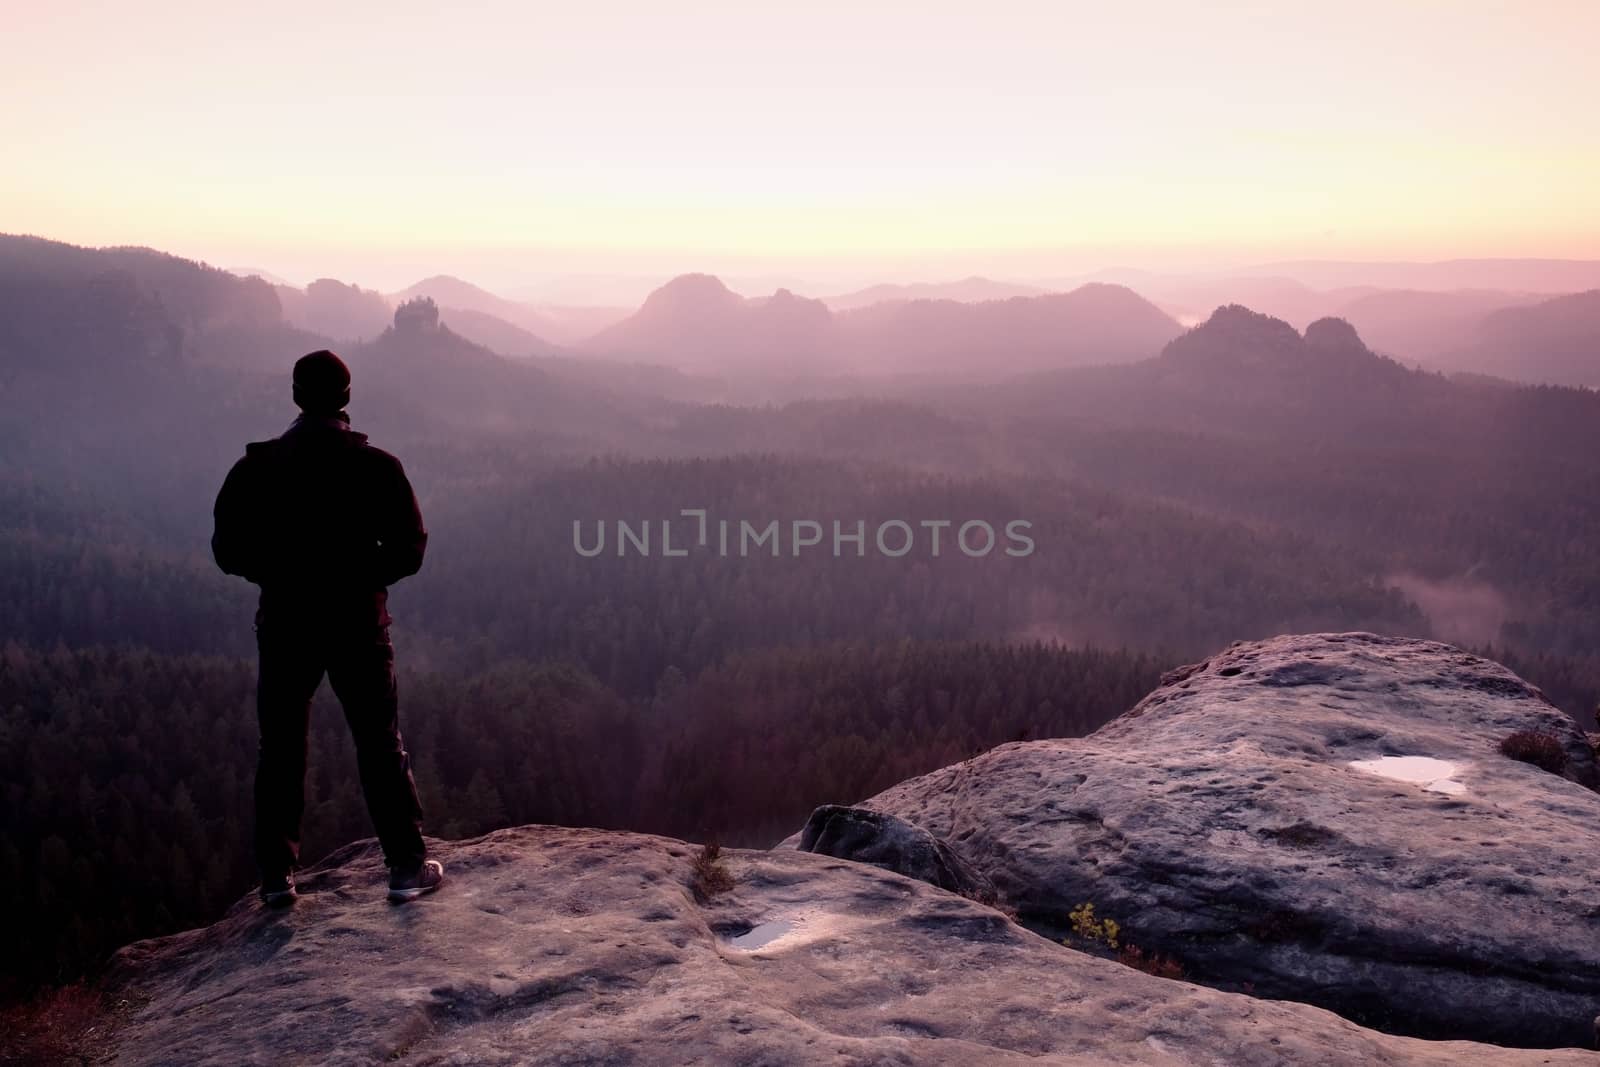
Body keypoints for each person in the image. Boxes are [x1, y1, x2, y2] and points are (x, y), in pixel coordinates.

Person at [212, 350, 444, 906]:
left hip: (285, 623)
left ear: (296, 396)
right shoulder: (378, 468)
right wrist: (360, 579)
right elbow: (410, 550)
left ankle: (275, 879)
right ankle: (406, 870)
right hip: (359, 624)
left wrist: (279, 575)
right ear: (346, 398)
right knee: (380, 743)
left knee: (282, 749)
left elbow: (227, 551)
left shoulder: (256, 468)